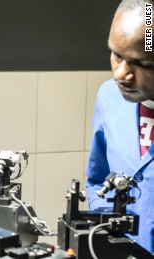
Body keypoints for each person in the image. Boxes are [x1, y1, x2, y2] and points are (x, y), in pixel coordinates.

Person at [86, 0, 154, 252]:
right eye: (116, 55)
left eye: (143, 64)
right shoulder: (108, 97)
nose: (120, 74)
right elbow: (96, 179)